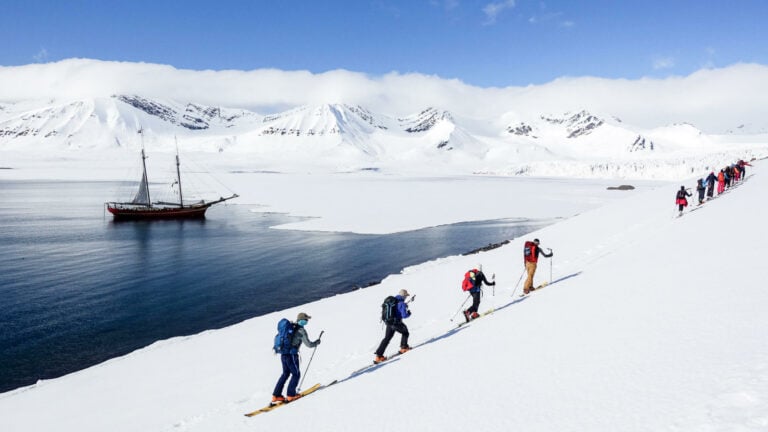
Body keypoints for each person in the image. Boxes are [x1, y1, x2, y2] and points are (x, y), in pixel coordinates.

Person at [272, 312, 321, 404]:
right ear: (301, 320)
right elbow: (309, 344)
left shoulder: (291, 327)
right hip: (292, 355)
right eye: (306, 320)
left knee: (285, 374)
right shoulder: (301, 330)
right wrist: (317, 342)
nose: (307, 321)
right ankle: (291, 395)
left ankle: (276, 395)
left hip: (284, 354)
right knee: (296, 374)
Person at [374, 289, 412, 364]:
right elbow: (404, 315)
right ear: (404, 296)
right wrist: (408, 313)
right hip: (396, 323)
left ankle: (379, 356)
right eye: (406, 296)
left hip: (389, 323)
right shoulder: (401, 303)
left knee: (387, 338)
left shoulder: (393, 301)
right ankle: (404, 347)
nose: (406, 298)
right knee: (405, 333)